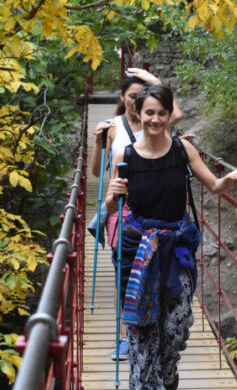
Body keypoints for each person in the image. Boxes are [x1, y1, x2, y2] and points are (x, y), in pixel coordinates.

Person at [104, 84, 237, 390]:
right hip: (139, 246)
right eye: (149, 113)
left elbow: (213, 185)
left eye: (161, 113)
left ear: (170, 115)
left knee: (177, 322)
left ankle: (168, 366)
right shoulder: (124, 156)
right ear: (138, 115)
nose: (155, 119)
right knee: (143, 326)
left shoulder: (183, 150)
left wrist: (230, 177)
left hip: (177, 246)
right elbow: (112, 204)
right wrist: (112, 195)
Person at [90, 68, 183, 361]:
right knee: (126, 273)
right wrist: (97, 142)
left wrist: (154, 80)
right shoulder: (112, 127)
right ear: (123, 97)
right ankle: (126, 334)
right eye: (131, 97)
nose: (134, 102)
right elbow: (96, 172)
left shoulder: (156, 122)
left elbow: (173, 113)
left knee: (150, 275)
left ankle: (152, 328)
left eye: (139, 97)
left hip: (155, 210)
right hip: (123, 209)